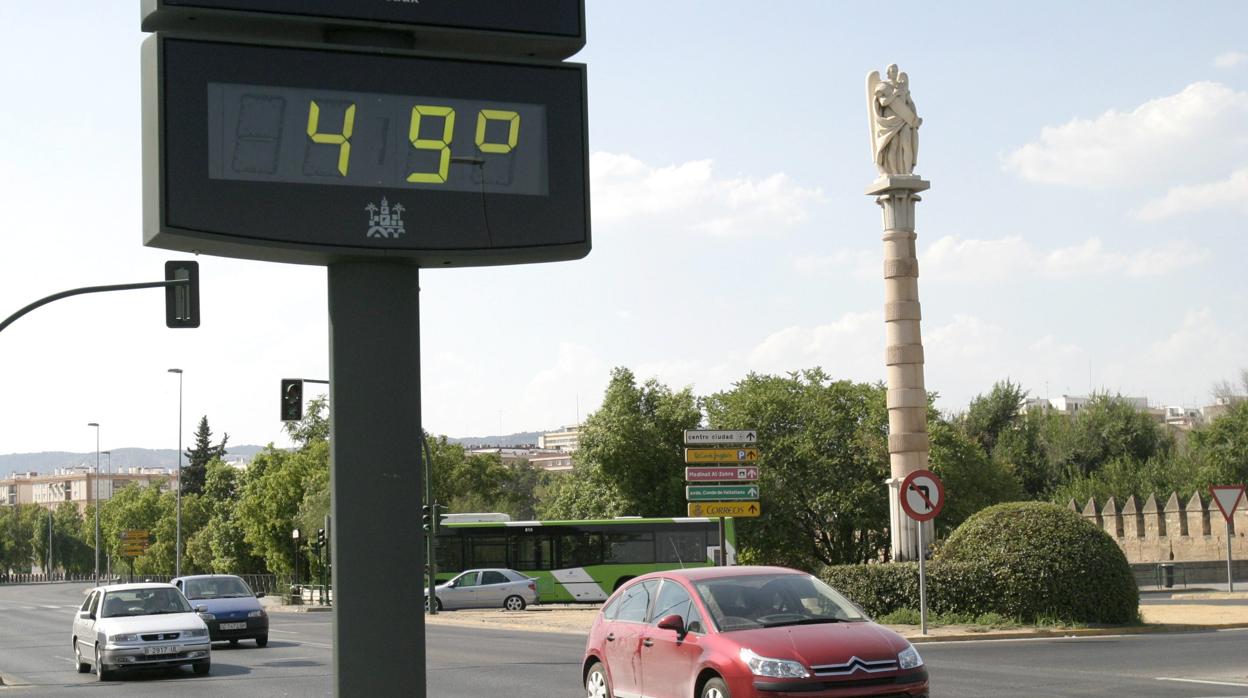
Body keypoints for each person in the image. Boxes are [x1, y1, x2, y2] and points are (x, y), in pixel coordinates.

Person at [869, 64, 922, 176]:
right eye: (892, 71)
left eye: (896, 71)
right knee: (893, 144)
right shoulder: (882, 86)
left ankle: (908, 171)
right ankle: (893, 172)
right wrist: (894, 95)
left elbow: (910, 102)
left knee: (907, 143)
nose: (895, 73)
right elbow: (883, 103)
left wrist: (915, 116)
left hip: (904, 119)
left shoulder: (902, 87)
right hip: (890, 121)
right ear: (888, 73)